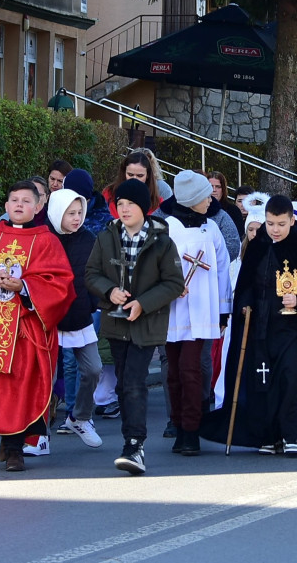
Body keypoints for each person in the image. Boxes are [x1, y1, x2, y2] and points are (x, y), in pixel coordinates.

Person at [0, 181, 74, 472]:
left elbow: (61, 283)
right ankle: (6, 439)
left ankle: (15, 449)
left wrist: (25, 286)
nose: (19, 205)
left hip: (26, 329)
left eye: (26, 200)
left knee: (23, 387)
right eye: (13, 200)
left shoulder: (47, 241)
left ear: (38, 207)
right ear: (6, 206)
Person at [202, 195, 297, 455]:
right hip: (260, 328)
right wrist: (245, 306)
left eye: (281, 224)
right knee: (263, 382)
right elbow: (245, 285)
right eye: (271, 224)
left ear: (292, 221)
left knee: (291, 378)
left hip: (293, 330)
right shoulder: (257, 246)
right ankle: (269, 435)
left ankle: (292, 434)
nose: (275, 230)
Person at [86, 179, 185, 474]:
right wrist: (109, 291)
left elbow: (174, 282)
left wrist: (142, 302)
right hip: (115, 323)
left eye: (130, 203)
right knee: (123, 383)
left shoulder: (162, 241)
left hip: (146, 324)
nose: (124, 209)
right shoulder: (106, 237)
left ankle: (134, 444)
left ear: (144, 206)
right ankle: (131, 442)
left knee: (134, 381)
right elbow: (91, 273)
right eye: (120, 204)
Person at [164, 171, 232, 455]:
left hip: (203, 309)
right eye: (205, 195)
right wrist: (168, 287)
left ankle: (192, 430)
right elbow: (155, 265)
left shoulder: (211, 229)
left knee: (191, 370)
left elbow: (223, 269)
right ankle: (179, 425)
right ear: (192, 199)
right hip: (172, 310)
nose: (210, 199)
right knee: (174, 373)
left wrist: (223, 310)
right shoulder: (166, 227)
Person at [44, 188, 102, 453]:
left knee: (93, 368)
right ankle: (38, 431)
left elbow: (95, 274)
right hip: (49, 318)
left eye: (79, 212)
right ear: (57, 213)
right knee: (45, 376)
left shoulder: (89, 238)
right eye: (70, 213)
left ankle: (80, 416)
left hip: (80, 315)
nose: (76, 218)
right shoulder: (44, 238)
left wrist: (93, 303)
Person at [103, 152, 161, 218]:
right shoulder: (109, 194)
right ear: (124, 173)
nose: (134, 179)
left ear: (147, 175)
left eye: (140, 176)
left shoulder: (158, 203)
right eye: (130, 175)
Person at [208, 170, 245, 236]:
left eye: (218, 187)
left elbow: (238, 234)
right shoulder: (200, 209)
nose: (214, 190)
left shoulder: (233, 210)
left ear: (223, 189)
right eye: (211, 186)